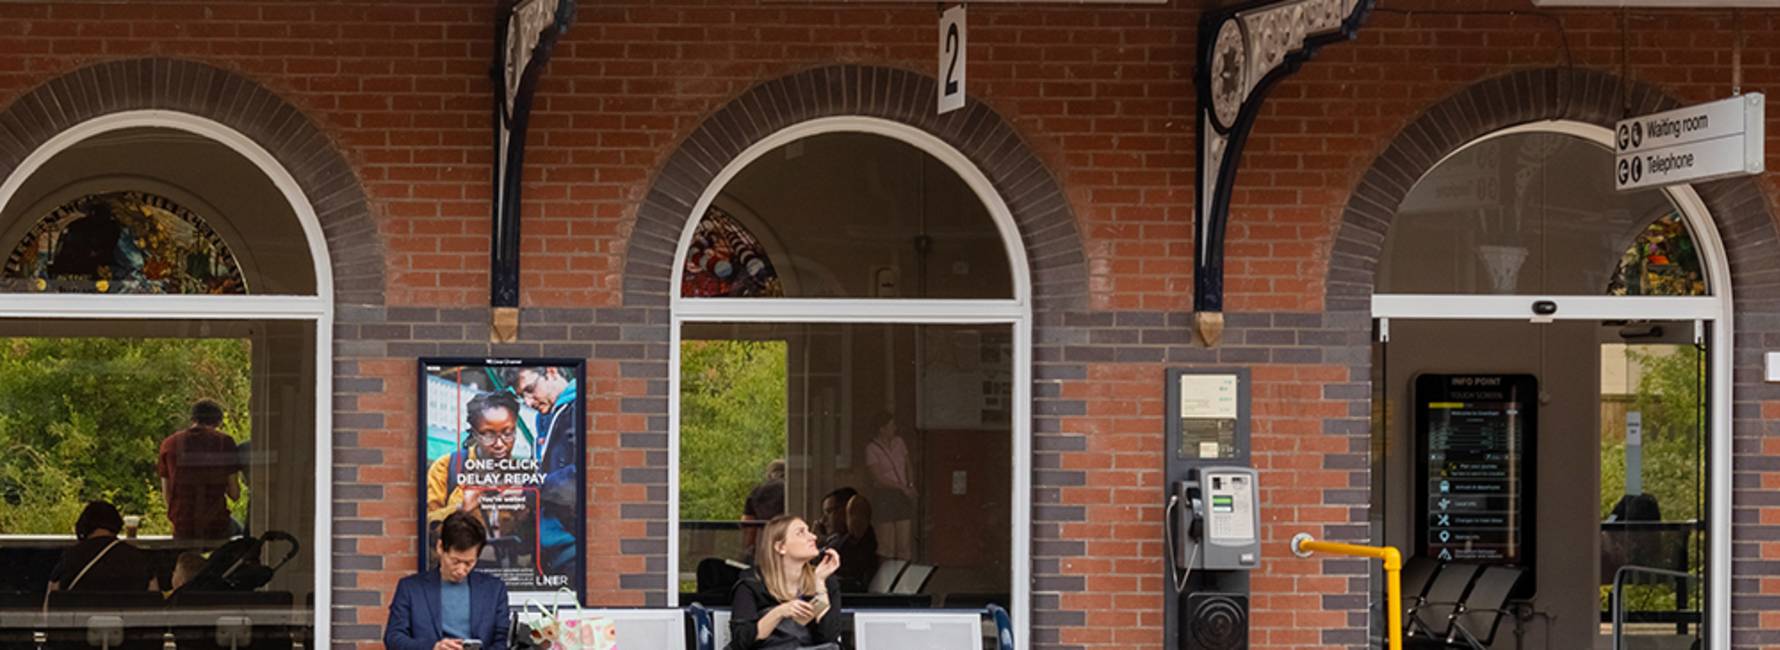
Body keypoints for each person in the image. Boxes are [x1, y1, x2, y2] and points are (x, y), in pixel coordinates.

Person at [426, 391, 531, 568]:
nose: (499, 444)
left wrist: (523, 515)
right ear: (474, 433)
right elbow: (426, 529)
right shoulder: (447, 467)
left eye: (508, 433)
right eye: (489, 434)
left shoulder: (524, 474)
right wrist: (461, 509)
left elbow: (532, 544)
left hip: (509, 572)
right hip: (459, 571)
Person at [385, 512, 512, 650]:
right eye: (455, 561)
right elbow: (394, 638)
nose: (461, 570)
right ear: (440, 548)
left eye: (469, 563)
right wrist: (433, 647)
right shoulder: (410, 589)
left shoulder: (494, 590)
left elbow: (502, 641)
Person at [726, 515, 844, 650]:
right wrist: (780, 612)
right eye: (801, 532)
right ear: (780, 547)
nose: (813, 537)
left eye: (808, 531)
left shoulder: (826, 580)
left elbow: (828, 638)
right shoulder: (753, 582)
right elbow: (741, 641)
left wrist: (820, 582)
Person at [513, 366, 579, 575]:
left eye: (531, 389)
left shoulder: (580, 407)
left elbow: (579, 477)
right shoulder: (544, 418)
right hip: (549, 554)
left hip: (572, 551)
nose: (529, 402)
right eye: (522, 397)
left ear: (551, 372)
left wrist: (529, 492)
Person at [158, 400, 242, 540]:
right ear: (218, 422)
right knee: (241, 534)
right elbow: (235, 494)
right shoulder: (224, 442)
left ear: (192, 419)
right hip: (216, 525)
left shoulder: (169, 444)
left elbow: (167, 495)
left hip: (182, 526)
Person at [47, 501, 156, 593]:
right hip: (128, 618)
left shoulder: (70, 558)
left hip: (81, 618)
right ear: (117, 524)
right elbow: (154, 603)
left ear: (83, 525)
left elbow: (50, 605)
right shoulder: (138, 559)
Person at [864, 411, 916, 559]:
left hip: (902, 492)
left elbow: (907, 464)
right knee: (887, 545)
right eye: (891, 425)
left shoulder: (899, 442)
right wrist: (901, 487)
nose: (894, 428)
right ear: (882, 428)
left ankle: (904, 577)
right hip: (885, 494)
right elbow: (878, 477)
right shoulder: (871, 449)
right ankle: (888, 576)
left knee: (904, 543)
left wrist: (910, 484)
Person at [817, 488, 878, 594]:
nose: (823, 520)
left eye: (829, 512)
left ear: (847, 511)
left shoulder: (857, 539)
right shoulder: (835, 539)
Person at [741, 459, 786, 557]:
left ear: (769, 474)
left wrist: (748, 550)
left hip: (767, 544)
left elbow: (748, 525)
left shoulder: (757, 491)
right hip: (789, 541)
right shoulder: (791, 489)